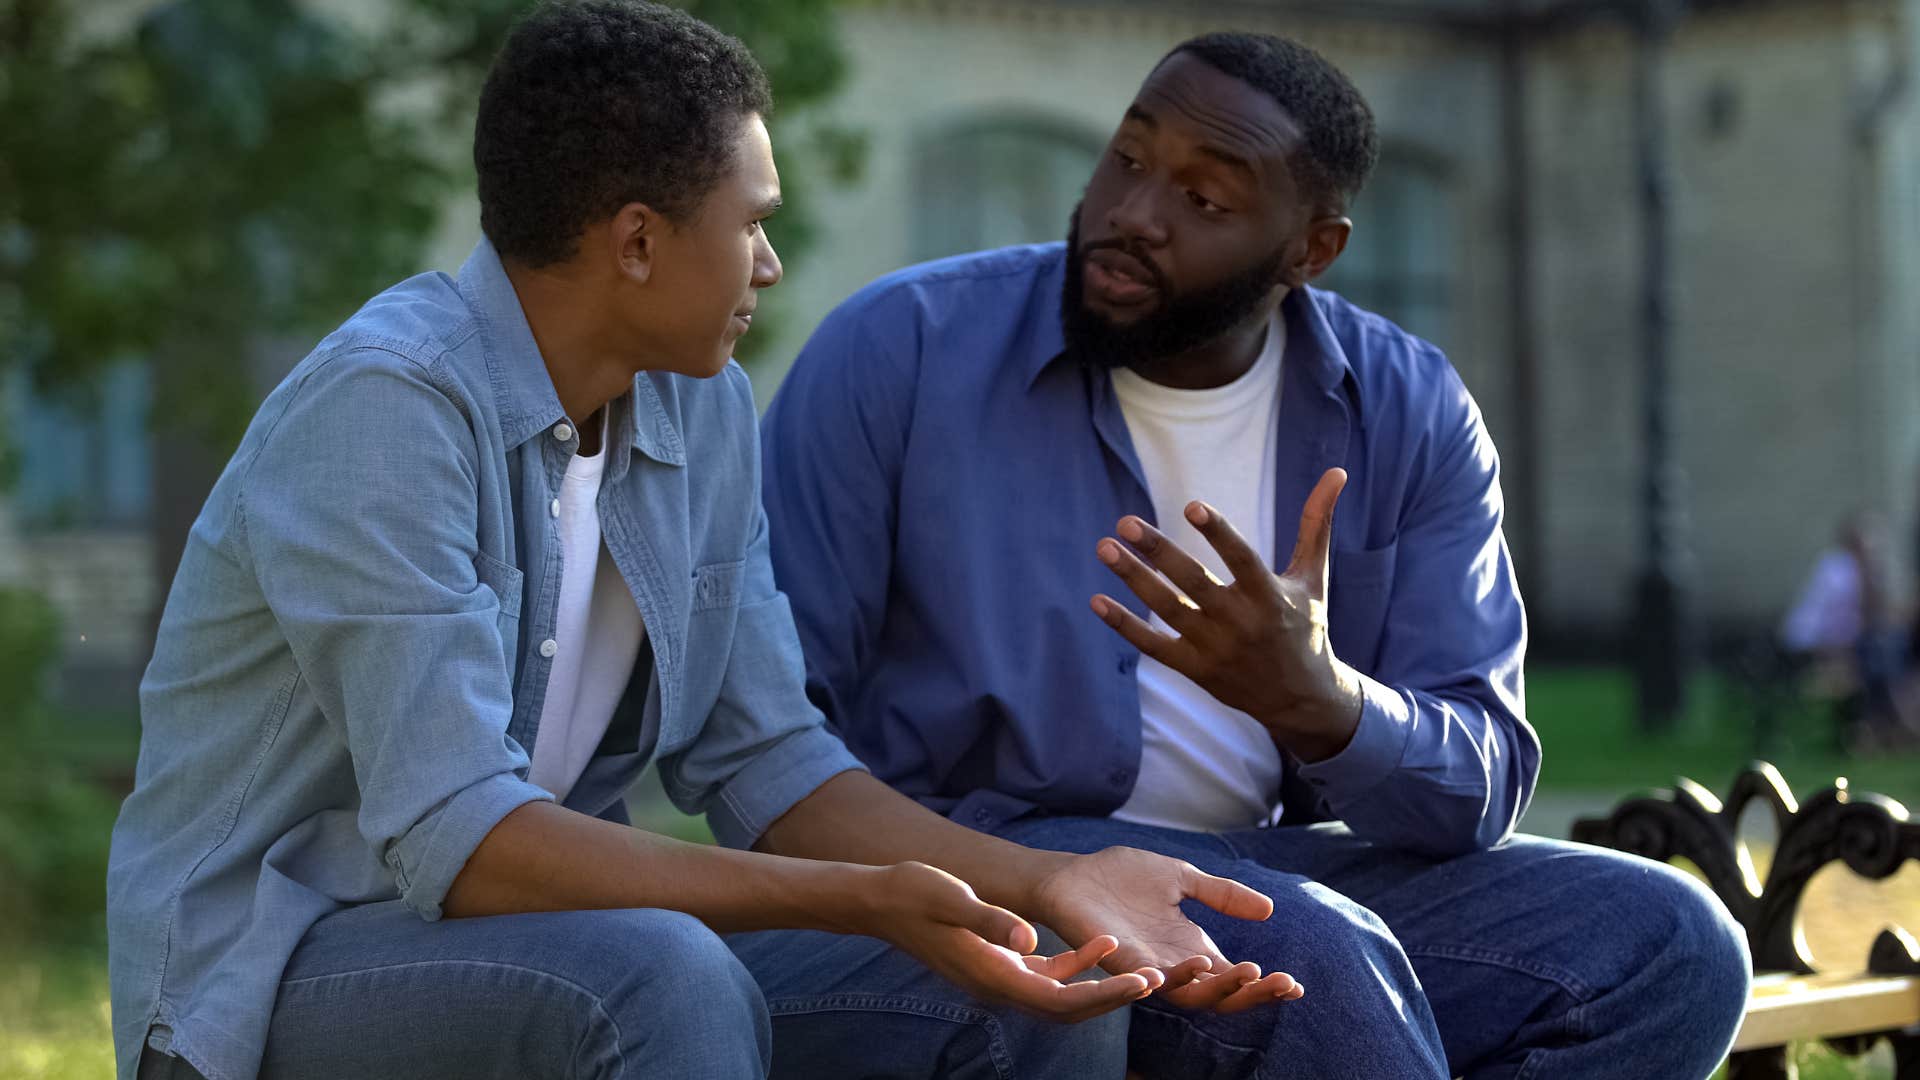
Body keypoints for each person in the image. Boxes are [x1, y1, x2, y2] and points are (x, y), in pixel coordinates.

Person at [105, 6, 1300, 1079]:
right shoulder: (387, 407)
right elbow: (463, 842)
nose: (772, 267)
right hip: (274, 975)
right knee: (660, 976)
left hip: (536, 945)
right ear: (636, 243)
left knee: (1035, 978)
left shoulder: (696, 401)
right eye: (754, 225)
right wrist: (862, 901)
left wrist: (1044, 882)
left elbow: (769, 759)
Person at [760, 30, 1754, 1079]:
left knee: (1668, 945)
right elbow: (773, 733)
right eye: (1129, 159)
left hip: (1274, 867)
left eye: (1207, 199)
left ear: (1310, 251)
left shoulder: (1405, 410)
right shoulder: (901, 351)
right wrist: (987, 879)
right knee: (1312, 949)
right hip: (994, 862)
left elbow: (1478, 778)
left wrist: (1324, 702)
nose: (1133, 214)